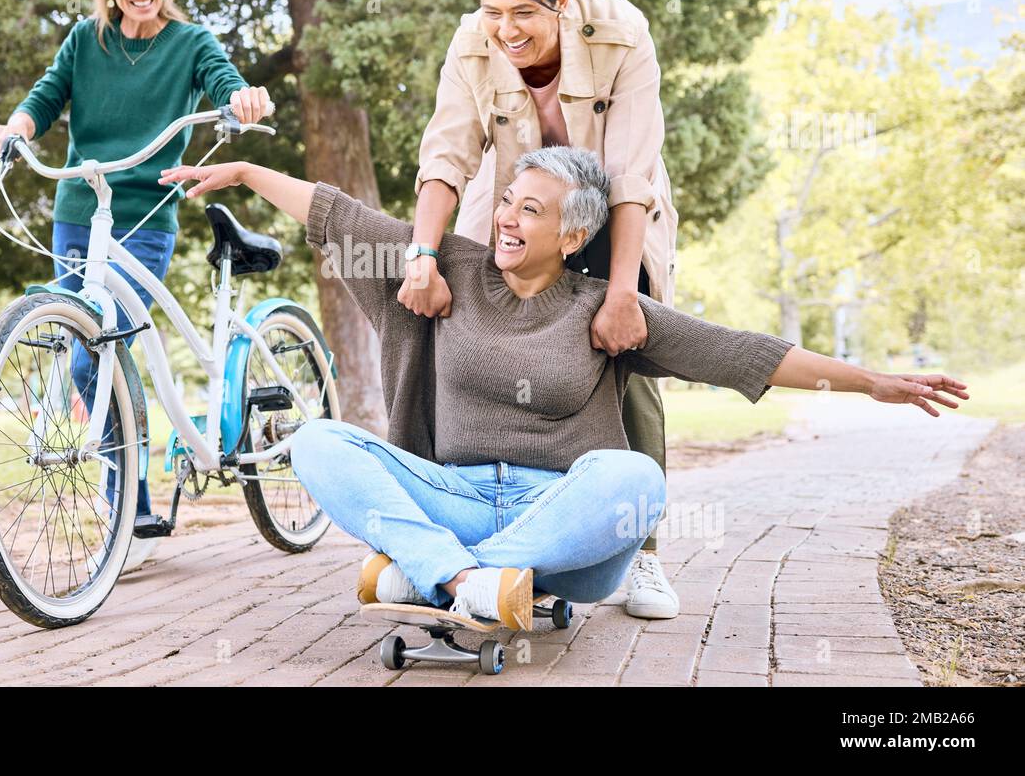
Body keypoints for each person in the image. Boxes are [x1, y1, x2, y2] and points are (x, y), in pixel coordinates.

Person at [157, 147, 968, 630]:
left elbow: (740, 354)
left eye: (530, 210)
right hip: (455, 494)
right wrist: (246, 171)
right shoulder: (452, 270)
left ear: (574, 234)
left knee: (637, 478)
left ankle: (439, 576)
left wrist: (873, 384)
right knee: (319, 440)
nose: (507, 217)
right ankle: (472, 583)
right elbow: (334, 213)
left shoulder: (605, 311)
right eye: (507, 199)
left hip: (567, 533)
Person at [404, 0, 683, 617]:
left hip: (612, 212)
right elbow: (445, 155)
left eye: (522, 13)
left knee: (631, 356)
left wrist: (622, 295)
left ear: (560, 2)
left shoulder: (620, 33)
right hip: (516, 206)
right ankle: (465, 538)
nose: (505, 30)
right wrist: (422, 256)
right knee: (463, 342)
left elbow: (629, 173)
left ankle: (642, 554)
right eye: (493, 12)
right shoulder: (474, 42)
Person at [0, 0, 272, 571]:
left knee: (107, 344)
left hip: (145, 216)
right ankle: (132, 499)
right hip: (79, 213)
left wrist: (242, 100)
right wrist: (16, 127)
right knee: (83, 349)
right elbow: (45, 96)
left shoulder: (191, 42)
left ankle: (126, 499)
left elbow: (225, 81)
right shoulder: (86, 41)